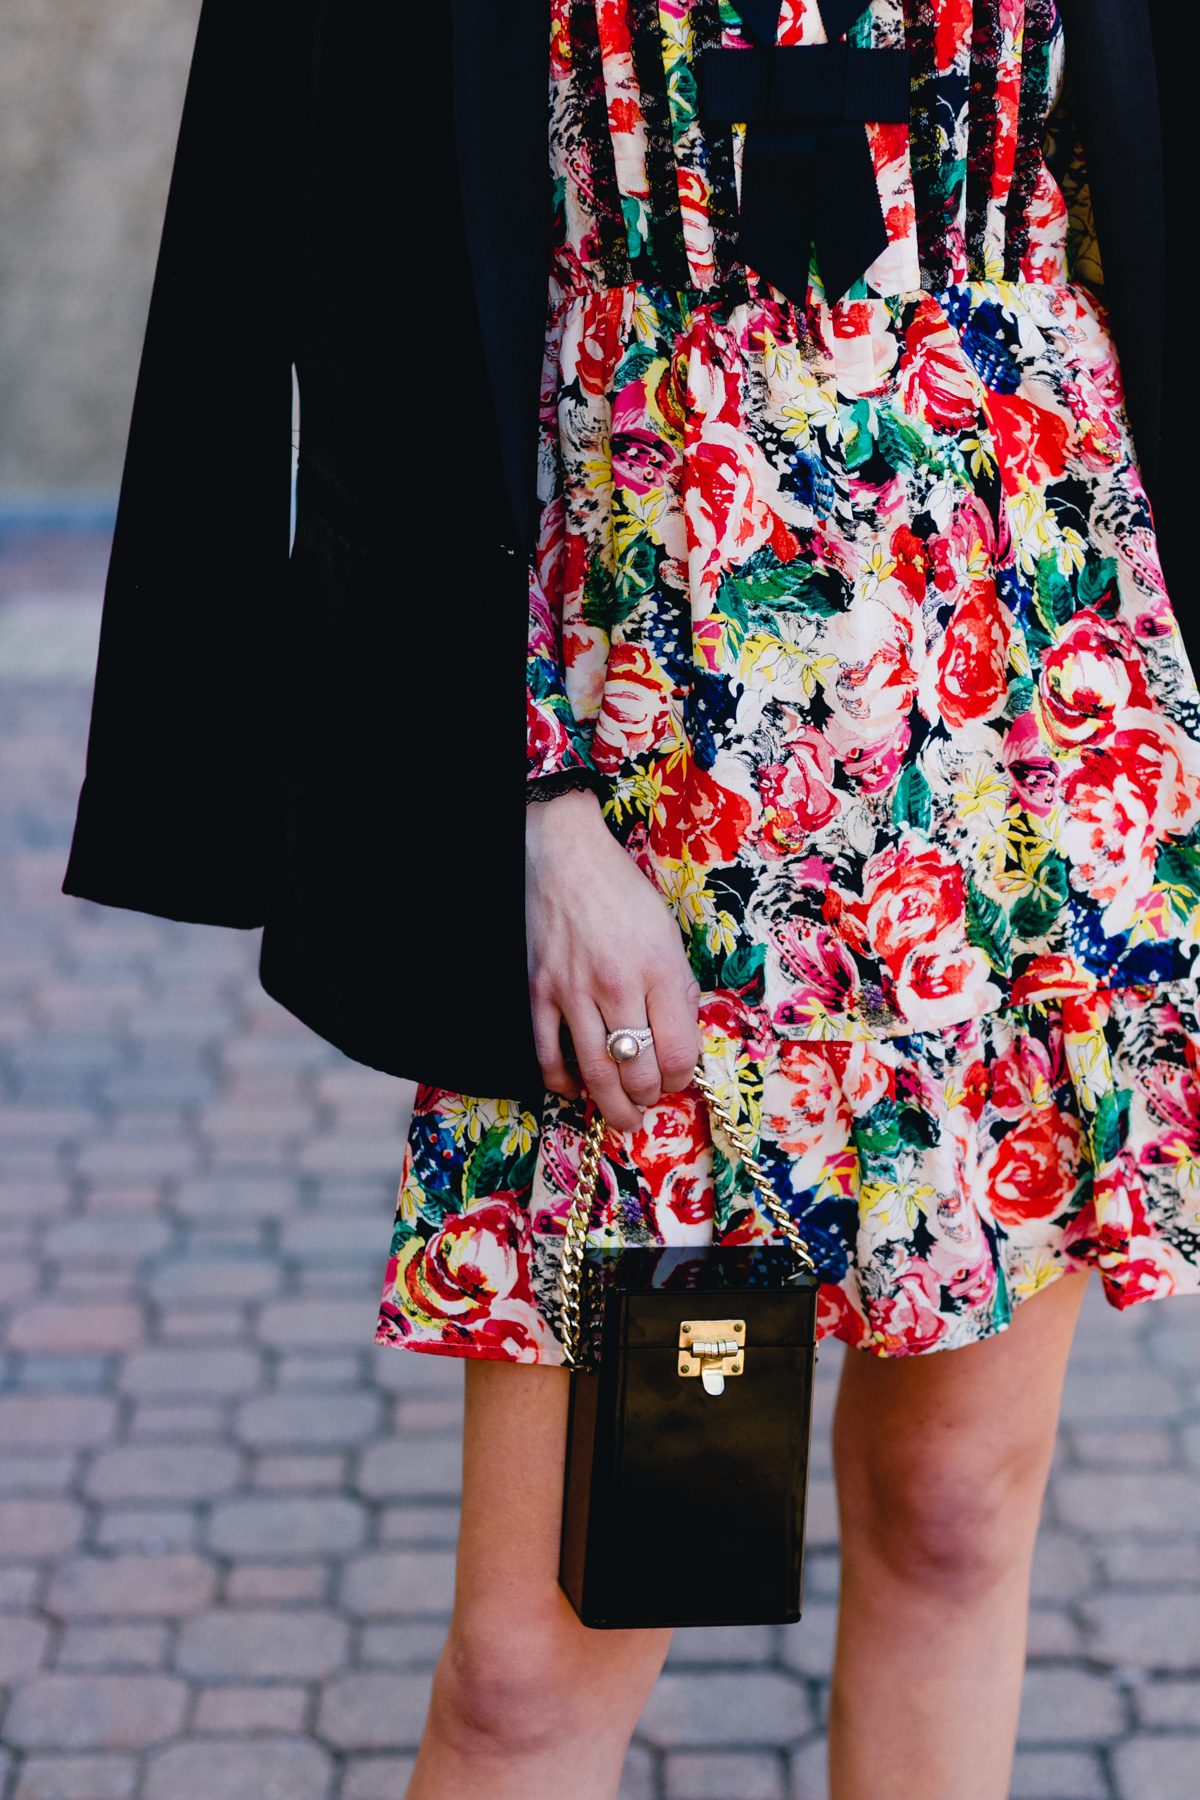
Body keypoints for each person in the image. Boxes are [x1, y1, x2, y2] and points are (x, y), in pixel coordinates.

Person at [65, 0, 1196, 1795]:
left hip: (1031, 762)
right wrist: (523, 797)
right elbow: (364, 281)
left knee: (957, 1515)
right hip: (652, 816)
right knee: (577, 1626)